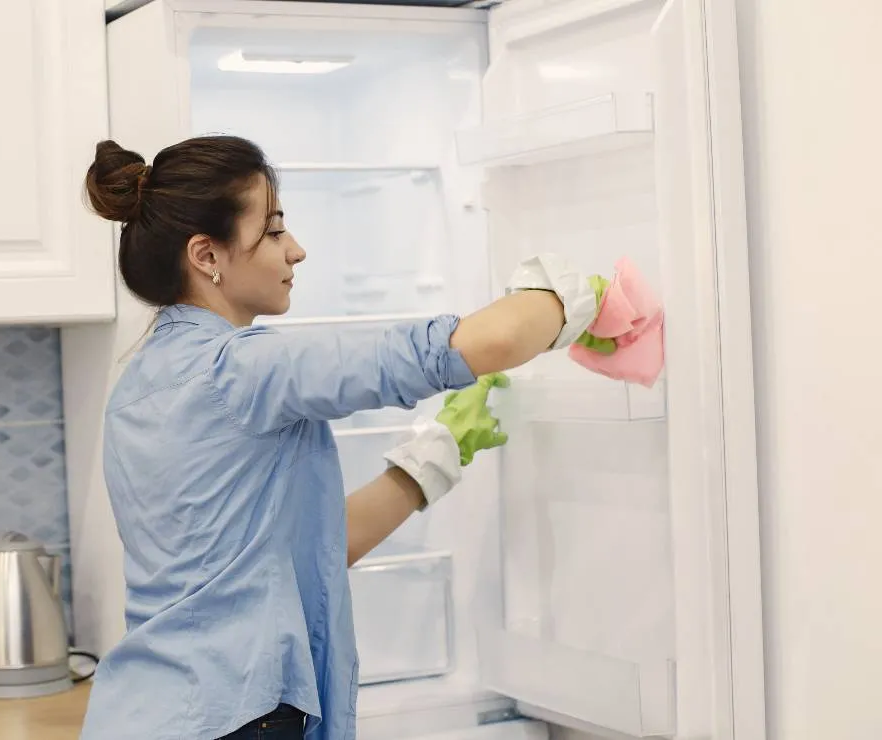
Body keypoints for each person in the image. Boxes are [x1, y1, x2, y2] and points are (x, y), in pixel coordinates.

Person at [78, 135, 600, 740]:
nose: (296, 250)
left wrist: (432, 459)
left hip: (143, 714)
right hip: (231, 720)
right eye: (273, 230)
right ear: (206, 254)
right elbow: (483, 345)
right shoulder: (242, 370)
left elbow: (308, 549)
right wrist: (574, 296)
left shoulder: (139, 385)